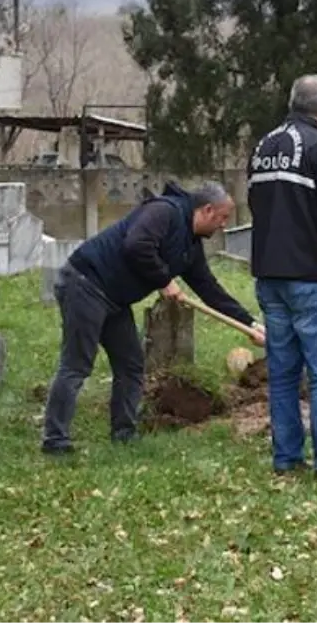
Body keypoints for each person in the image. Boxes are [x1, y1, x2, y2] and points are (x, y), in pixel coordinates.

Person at [40, 181, 265, 454]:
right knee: (77, 364)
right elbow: (137, 244)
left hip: (115, 299)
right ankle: (55, 441)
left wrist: (249, 324)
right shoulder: (164, 212)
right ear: (207, 210)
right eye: (222, 218)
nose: (223, 225)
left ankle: (124, 433)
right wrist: (164, 280)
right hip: (85, 283)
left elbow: (209, 288)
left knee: (131, 365)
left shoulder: (190, 247)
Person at [247, 74, 317, 477]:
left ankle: (287, 459)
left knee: (282, 375)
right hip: (314, 276)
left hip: (269, 276)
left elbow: (257, 205)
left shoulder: (264, 146)